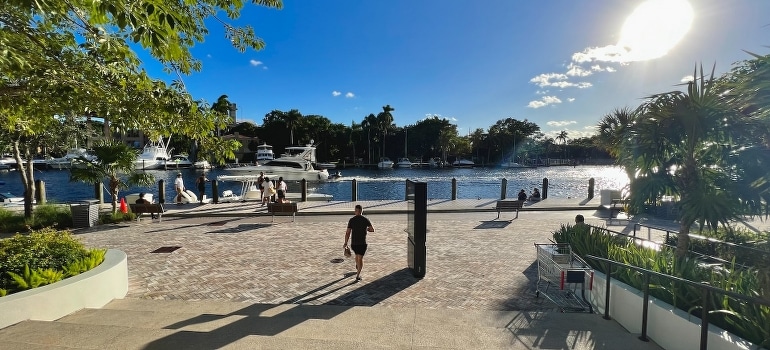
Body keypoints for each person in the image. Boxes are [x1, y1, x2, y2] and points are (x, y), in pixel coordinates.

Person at [344, 204, 375, 282]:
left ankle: (357, 265)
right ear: (361, 211)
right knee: (360, 258)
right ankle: (358, 276)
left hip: (353, 243)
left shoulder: (351, 220)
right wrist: (367, 229)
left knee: (357, 255)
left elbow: (348, 233)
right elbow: (372, 229)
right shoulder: (365, 220)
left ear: (355, 211)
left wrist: (345, 242)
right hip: (362, 243)